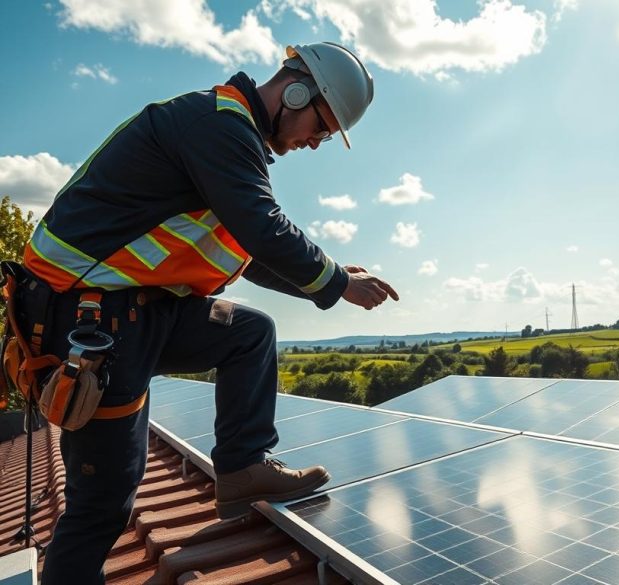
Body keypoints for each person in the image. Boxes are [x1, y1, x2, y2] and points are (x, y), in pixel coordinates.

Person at [14, 42, 398, 584]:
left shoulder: (229, 134)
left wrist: (332, 276)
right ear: (295, 92)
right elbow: (264, 229)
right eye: (322, 127)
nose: (316, 143)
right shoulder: (218, 126)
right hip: (92, 322)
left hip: (135, 314)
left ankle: (242, 469)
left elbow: (248, 248)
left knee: (249, 333)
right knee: (102, 503)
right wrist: (336, 283)